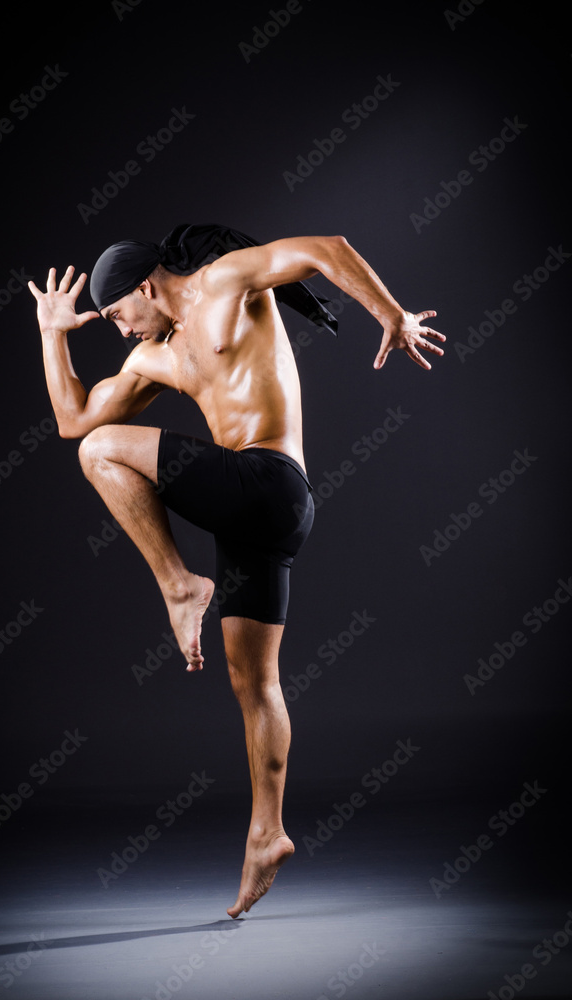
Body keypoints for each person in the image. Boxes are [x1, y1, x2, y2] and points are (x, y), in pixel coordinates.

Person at [28, 225, 444, 918]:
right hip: (247, 515)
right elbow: (73, 418)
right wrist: (52, 335)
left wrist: (391, 314)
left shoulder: (224, 281)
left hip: (272, 482)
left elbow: (326, 250)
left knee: (106, 450)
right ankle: (266, 832)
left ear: (143, 286)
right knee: (253, 683)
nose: (121, 331)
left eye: (117, 316)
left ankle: (178, 585)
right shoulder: (155, 359)